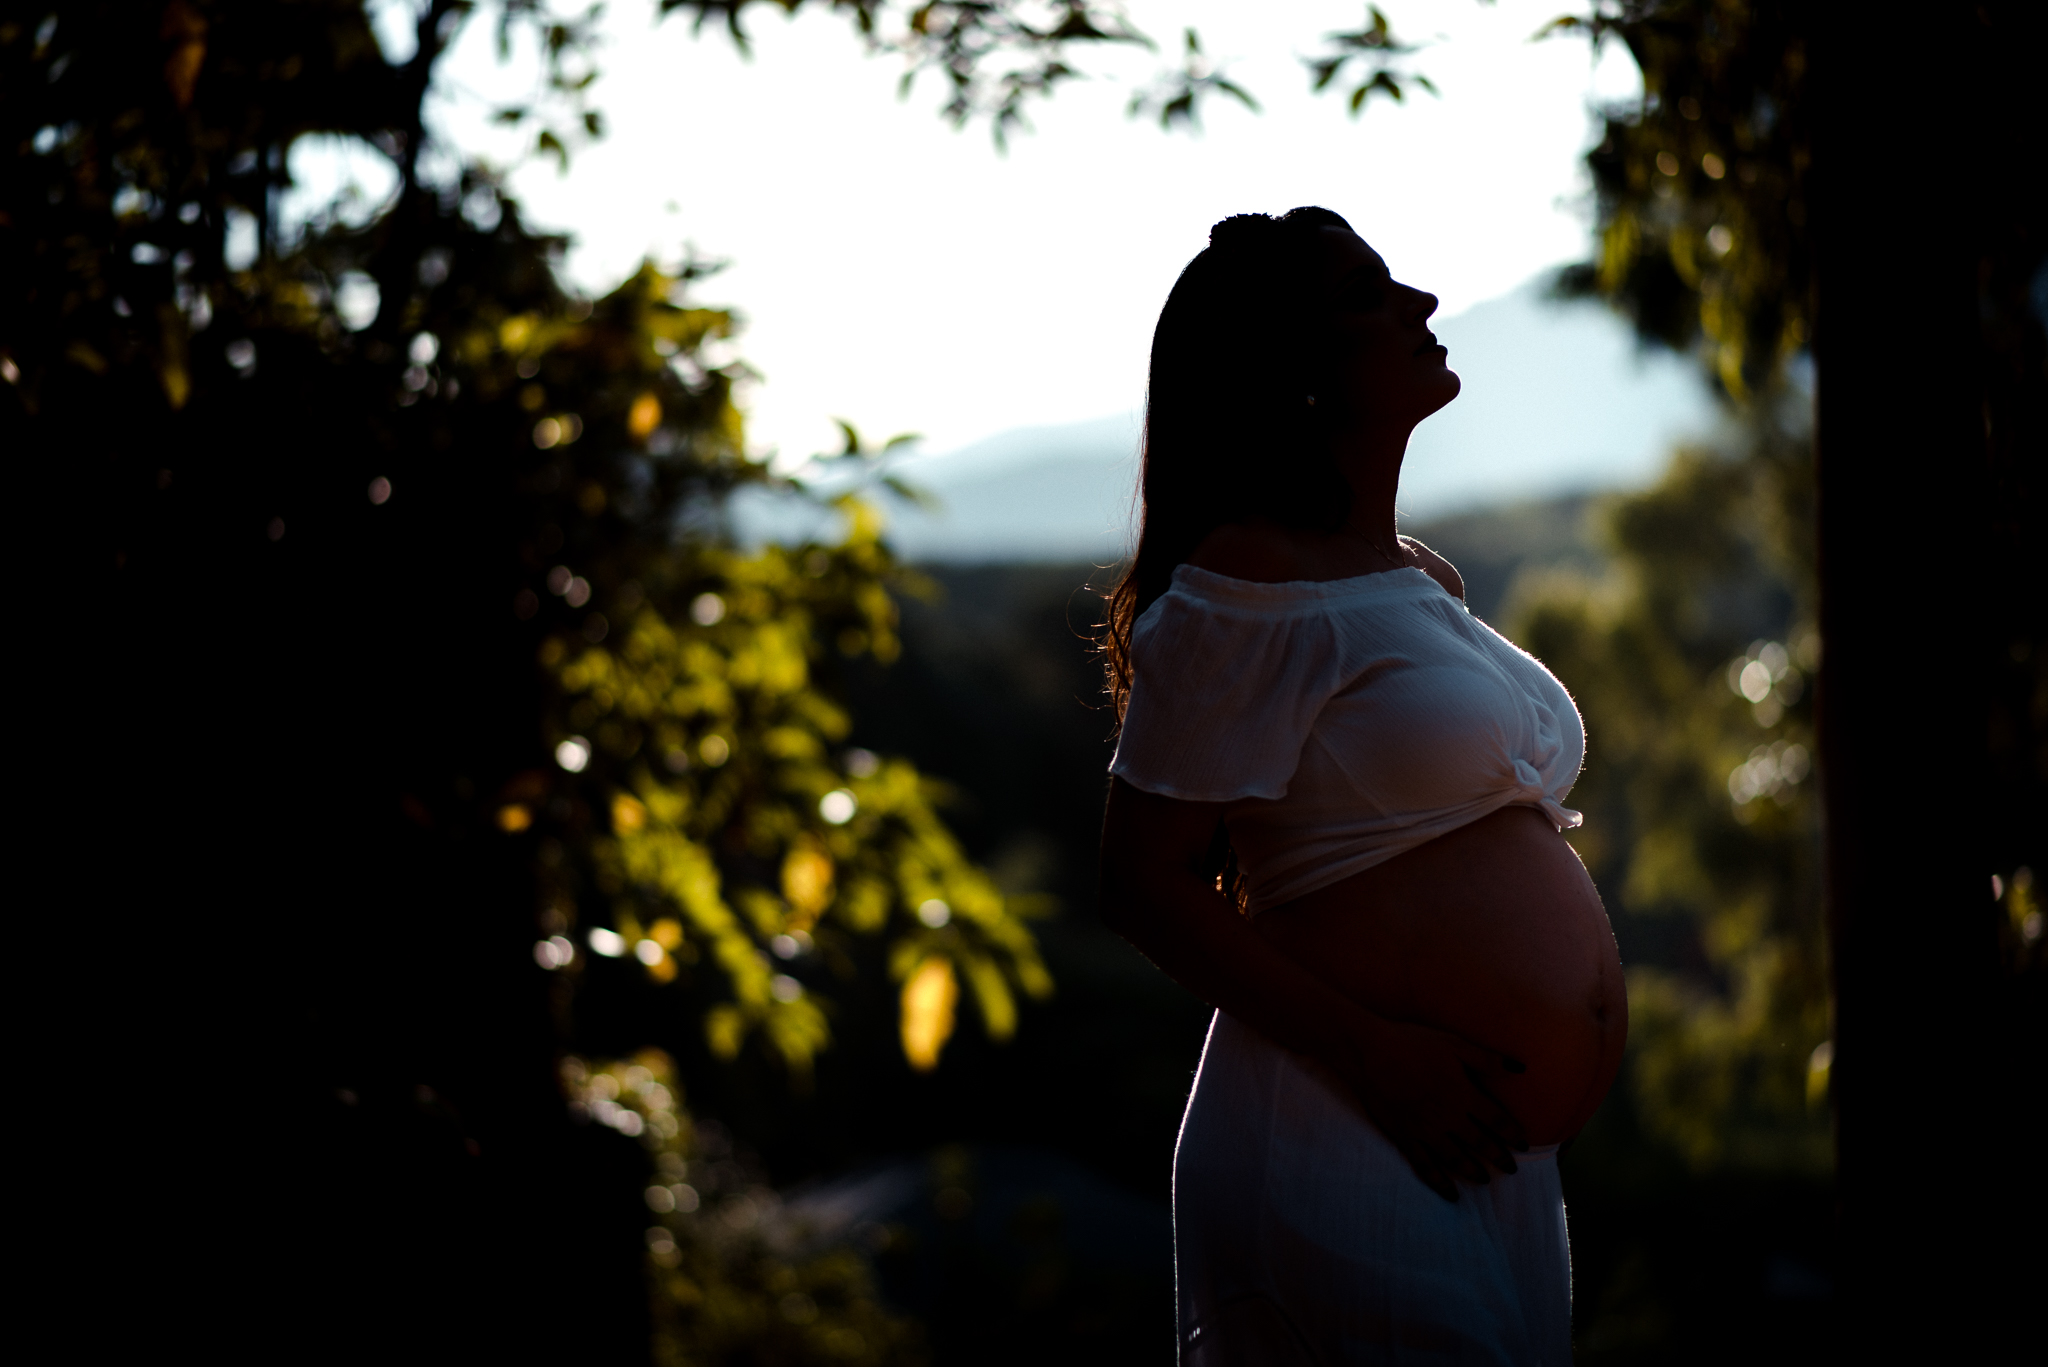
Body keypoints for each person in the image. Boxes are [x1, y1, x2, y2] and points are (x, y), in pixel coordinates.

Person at [1096, 207, 1626, 1366]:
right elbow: (1141, 880)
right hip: (1345, 1122)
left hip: (1490, 1157)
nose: (1420, 306)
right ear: (1291, 373)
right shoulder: (1248, 576)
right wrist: (1373, 1051)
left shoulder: (1413, 574)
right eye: (1367, 295)